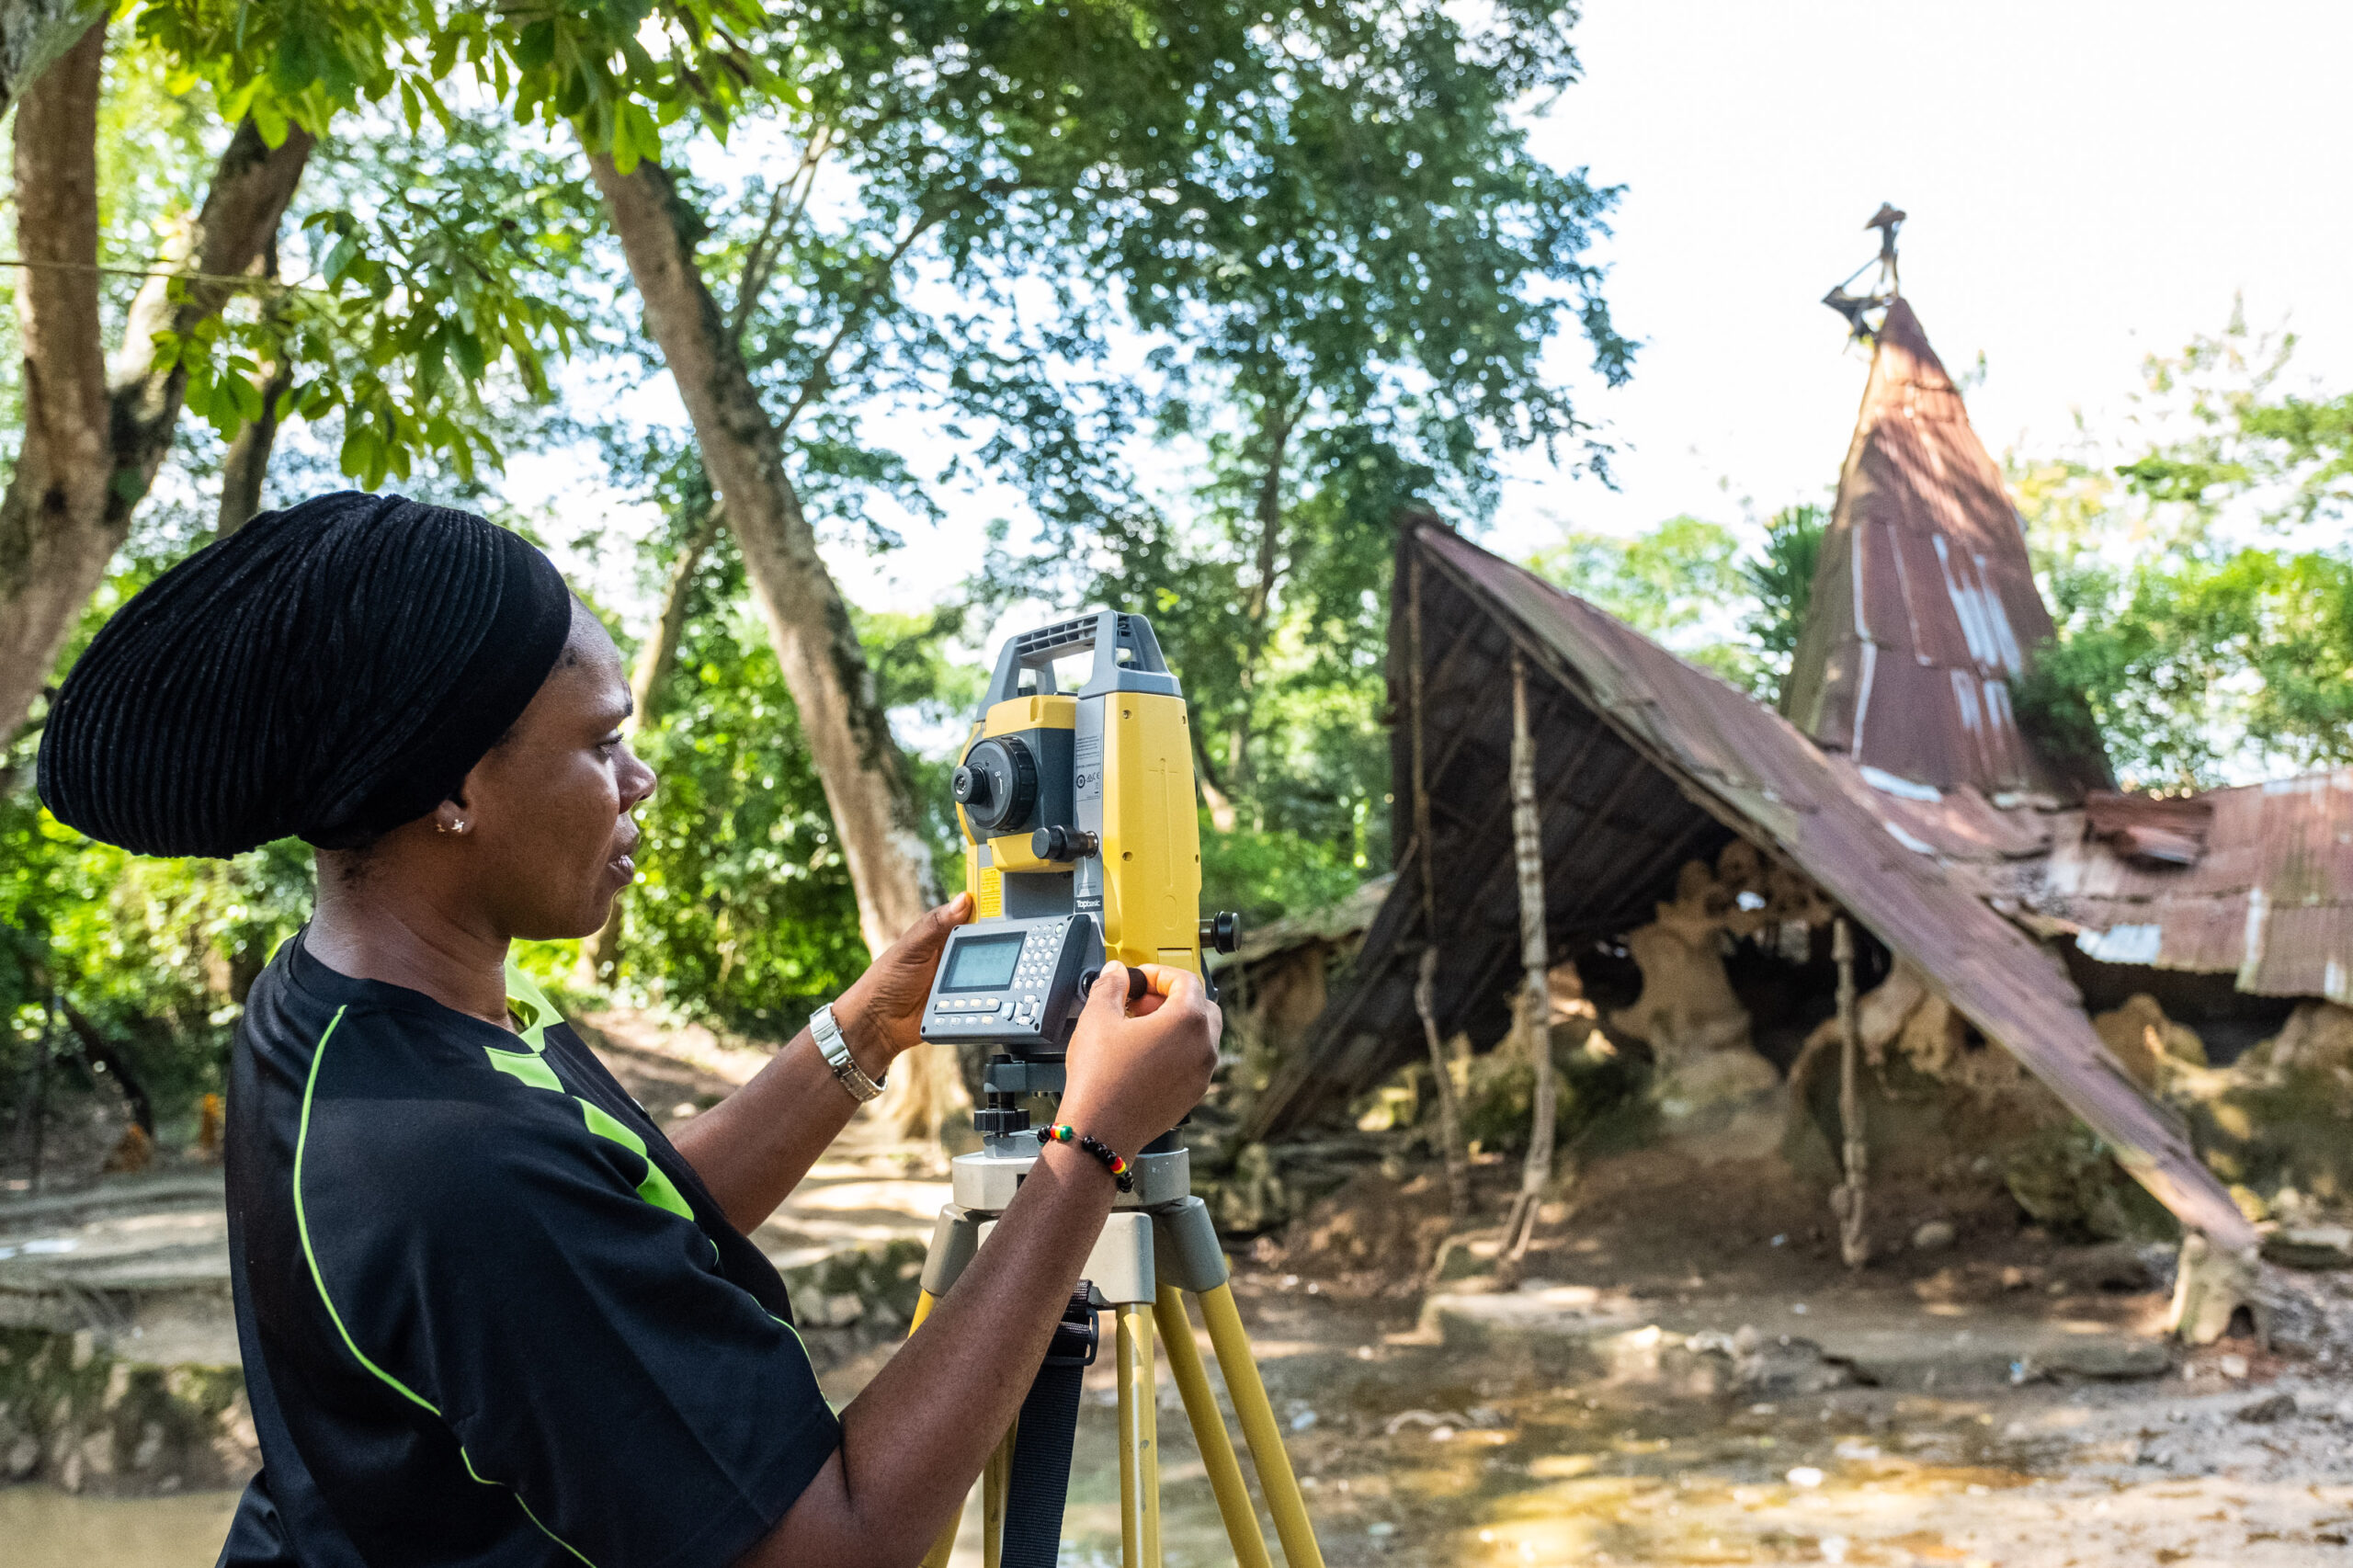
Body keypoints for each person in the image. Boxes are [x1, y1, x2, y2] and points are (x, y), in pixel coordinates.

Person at [37, 492, 1221, 1568]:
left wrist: (867, 1024)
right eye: (601, 744)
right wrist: (1091, 1151)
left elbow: (623, 1217)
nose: (639, 778)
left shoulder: (348, 1009)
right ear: (452, 792)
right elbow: (831, 1547)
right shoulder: (451, 1162)